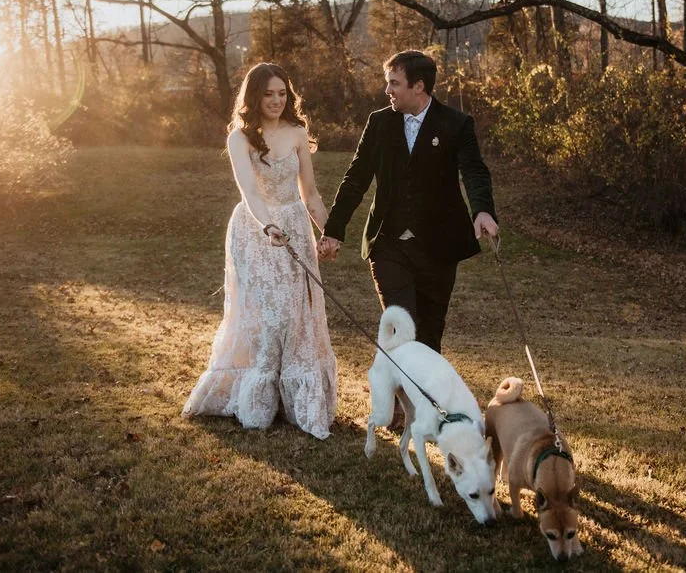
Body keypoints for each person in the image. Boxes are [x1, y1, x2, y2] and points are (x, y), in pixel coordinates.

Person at [183, 63, 337, 440]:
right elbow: (250, 192)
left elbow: (310, 193)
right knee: (270, 315)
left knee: (297, 315)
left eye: (282, 93)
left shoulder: (298, 133)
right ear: (254, 96)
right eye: (268, 94)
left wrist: (329, 233)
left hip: (296, 229)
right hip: (256, 231)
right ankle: (259, 400)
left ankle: (295, 402)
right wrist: (269, 226)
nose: (276, 100)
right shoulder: (240, 138)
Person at [319, 50, 498, 354]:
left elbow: (474, 171)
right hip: (389, 243)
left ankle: (424, 400)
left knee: (429, 333)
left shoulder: (456, 124)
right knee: (401, 325)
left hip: (439, 246)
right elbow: (356, 179)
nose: (387, 90)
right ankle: (397, 399)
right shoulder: (378, 123)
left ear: (418, 86)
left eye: (394, 83)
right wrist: (333, 229)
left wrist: (482, 210)